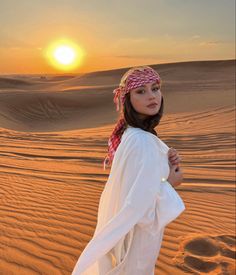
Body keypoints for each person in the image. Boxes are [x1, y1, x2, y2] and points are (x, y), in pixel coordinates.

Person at [72, 66, 185, 275]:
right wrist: (170, 183)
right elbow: (139, 207)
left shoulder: (132, 134)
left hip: (131, 239)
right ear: (127, 99)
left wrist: (165, 167)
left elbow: (136, 184)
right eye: (140, 91)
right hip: (137, 242)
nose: (152, 96)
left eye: (155, 88)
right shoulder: (141, 141)